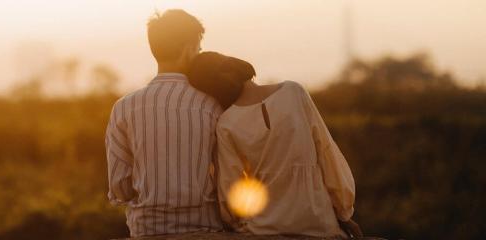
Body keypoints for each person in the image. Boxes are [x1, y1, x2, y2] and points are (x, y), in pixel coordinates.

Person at [187, 52, 364, 238]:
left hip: (263, 229)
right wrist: (343, 213)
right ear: (234, 63)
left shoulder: (226, 124)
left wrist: (238, 222)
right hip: (318, 223)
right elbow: (327, 154)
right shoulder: (293, 92)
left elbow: (231, 191)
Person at [105, 10, 224, 237]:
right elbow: (226, 177)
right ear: (189, 48)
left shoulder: (124, 107)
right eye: (198, 48)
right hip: (205, 228)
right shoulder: (212, 105)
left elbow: (119, 187)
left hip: (147, 230)